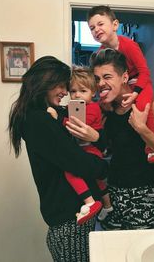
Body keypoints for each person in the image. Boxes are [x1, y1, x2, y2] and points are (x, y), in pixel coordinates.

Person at [8, 56, 108, 262]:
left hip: (71, 218)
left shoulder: (46, 114)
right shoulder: (38, 120)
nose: (65, 92)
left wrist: (96, 137)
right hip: (69, 221)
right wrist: (103, 167)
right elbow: (76, 162)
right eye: (61, 86)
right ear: (44, 82)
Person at [89, 48, 154, 230]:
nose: (101, 84)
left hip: (143, 196)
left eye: (107, 76)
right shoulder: (105, 111)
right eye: (97, 79)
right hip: (111, 195)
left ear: (124, 77)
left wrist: (142, 129)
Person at [87, 5, 154, 163]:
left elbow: (144, 72)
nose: (96, 30)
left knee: (145, 106)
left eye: (100, 24)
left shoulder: (129, 45)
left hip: (140, 80)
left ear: (115, 25)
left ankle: (151, 149)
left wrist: (136, 93)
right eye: (91, 28)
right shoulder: (100, 53)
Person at [47, 66, 113, 224]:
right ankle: (108, 205)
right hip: (88, 149)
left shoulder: (92, 108)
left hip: (91, 150)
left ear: (93, 93)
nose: (77, 95)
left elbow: (78, 125)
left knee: (70, 172)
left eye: (82, 91)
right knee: (98, 181)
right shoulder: (74, 107)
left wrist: (58, 119)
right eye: (73, 91)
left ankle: (90, 203)